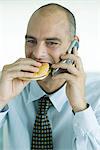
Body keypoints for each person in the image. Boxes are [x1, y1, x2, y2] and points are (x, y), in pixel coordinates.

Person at [0, 3, 100, 150]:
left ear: (74, 45)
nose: (37, 54)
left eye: (52, 43)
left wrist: (80, 108)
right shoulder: (4, 85)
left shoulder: (97, 94)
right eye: (31, 41)